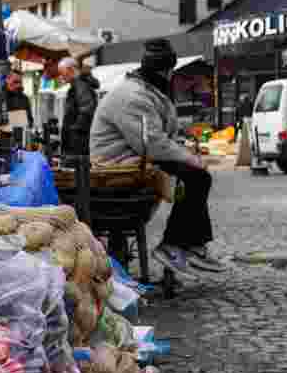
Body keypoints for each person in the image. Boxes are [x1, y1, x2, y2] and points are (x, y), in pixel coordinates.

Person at [90, 38, 224, 276]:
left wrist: (184, 151)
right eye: (169, 72)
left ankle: (192, 245)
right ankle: (175, 244)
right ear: (165, 70)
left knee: (196, 177)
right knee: (196, 177)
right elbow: (152, 143)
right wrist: (189, 158)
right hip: (116, 166)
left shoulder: (147, 91)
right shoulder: (133, 96)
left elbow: (159, 135)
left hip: (132, 158)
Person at [58, 57, 100, 157]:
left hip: (78, 144)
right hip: (80, 141)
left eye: (62, 72)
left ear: (71, 69)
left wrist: (73, 132)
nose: (61, 76)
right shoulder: (77, 85)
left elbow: (87, 111)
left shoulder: (80, 86)